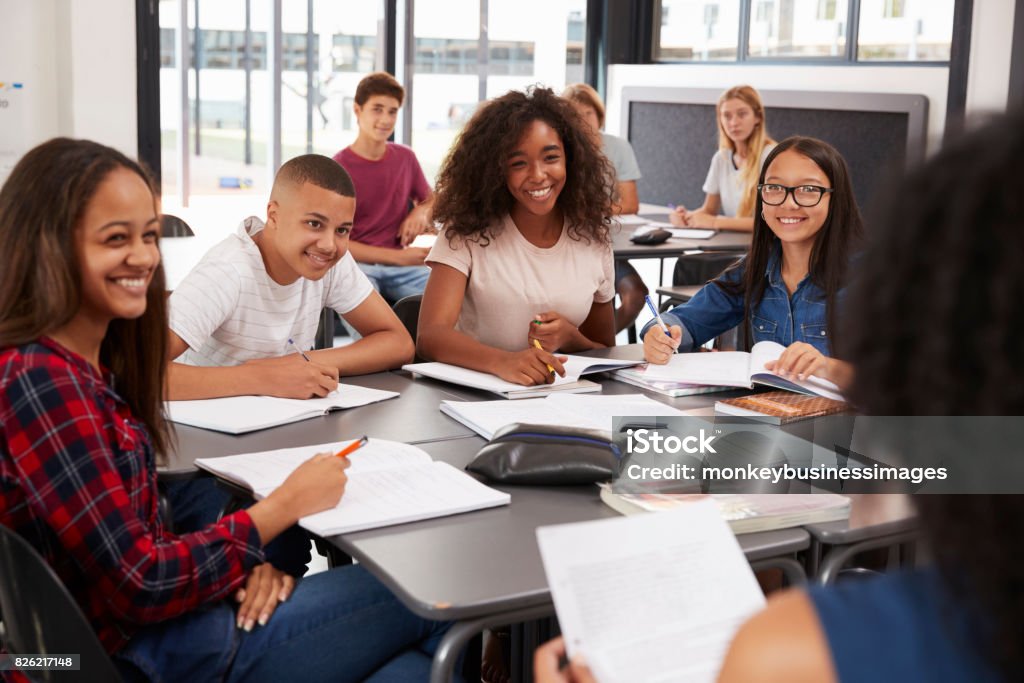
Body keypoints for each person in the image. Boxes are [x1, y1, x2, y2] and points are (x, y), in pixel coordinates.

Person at [0, 138, 452, 681]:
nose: (145, 256)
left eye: (148, 236)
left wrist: (242, 567)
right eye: (116, 238)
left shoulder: (69, 367)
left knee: (407, 668)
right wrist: (278, 510)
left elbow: (134, 540)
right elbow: (141, 582)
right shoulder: (44, 384)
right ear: (50, 246)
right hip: (134, 657)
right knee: (433, 598)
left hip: (157, 626)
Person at [167, 153, 414, 402]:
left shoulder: (329, 261)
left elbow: (398, 343)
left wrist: (298, 363)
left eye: (342, 230)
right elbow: (134, 373)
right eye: (314, 224)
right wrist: (262, 377)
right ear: (273, 215)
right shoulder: (227, 271)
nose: (329, 244)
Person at [417, 86, 617, 387]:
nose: (538, 175)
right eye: (518, 163)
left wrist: (569, 336)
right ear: (496, 170)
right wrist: (503, 362)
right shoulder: (467, 231)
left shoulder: (593, 237)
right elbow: (430, 337)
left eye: (551, 157)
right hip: (477, 399)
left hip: (565, 400)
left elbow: (606, 348)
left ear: (571, 159)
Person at [642, 136, 860, 387]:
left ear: (835, 199)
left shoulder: (869, 278)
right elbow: (686, 321)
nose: (789, 203)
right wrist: (658, 334)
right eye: (775, 188)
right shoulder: (755, 269)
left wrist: (827, 367)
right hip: (766, 416)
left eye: (808, 190)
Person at [333, 71, 435, 306]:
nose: (386, 119)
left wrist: (420, 211)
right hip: (356, 267)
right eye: (377, 109)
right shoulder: (339, 167)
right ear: (357, 111)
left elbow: (431, 199)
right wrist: (399, 258)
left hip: (403, 269)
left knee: (450, 304)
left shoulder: (405, 158)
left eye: (392, 111)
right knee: (375, 329)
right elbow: (337, 242)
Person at [562, 82, 649, 335]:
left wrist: (591, 208)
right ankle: (583, 345)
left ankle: (597, 348)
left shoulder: (618, 147)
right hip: (572, 251)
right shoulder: (560, 151)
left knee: (636, 297)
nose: (583, 121)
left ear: (599, 115)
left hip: (611, 250)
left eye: (588, 113)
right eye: (574, 115)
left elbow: (630, 204)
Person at [671, 85, 776, 231]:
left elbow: (772, 221)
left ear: (757, 117)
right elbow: (708, 210)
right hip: (734, 244)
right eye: (727, 116)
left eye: (742, 114)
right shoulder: (722, 158)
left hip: (765, 247)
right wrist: (687, 217)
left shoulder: (772, 156)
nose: (733, 123)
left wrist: (714, 222)